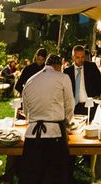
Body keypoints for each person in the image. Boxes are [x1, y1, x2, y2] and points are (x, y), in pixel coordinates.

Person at [19, 54, 75, 184]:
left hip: (32, 136)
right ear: (59, 66)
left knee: (32, 175)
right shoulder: (63, 77)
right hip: (53, 134)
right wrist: (67, 121)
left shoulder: (31, 80)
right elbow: (69, 105)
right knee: (54, 175)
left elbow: (26, 111)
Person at [63, 45, 101, 118]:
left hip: (90, 106)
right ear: (73, 57)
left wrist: (98, 99)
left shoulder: (92, 67)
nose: (81, 60)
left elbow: (100, 85)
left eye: (82, 57)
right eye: (78, 57)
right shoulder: (67, 72)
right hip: (74, 108)